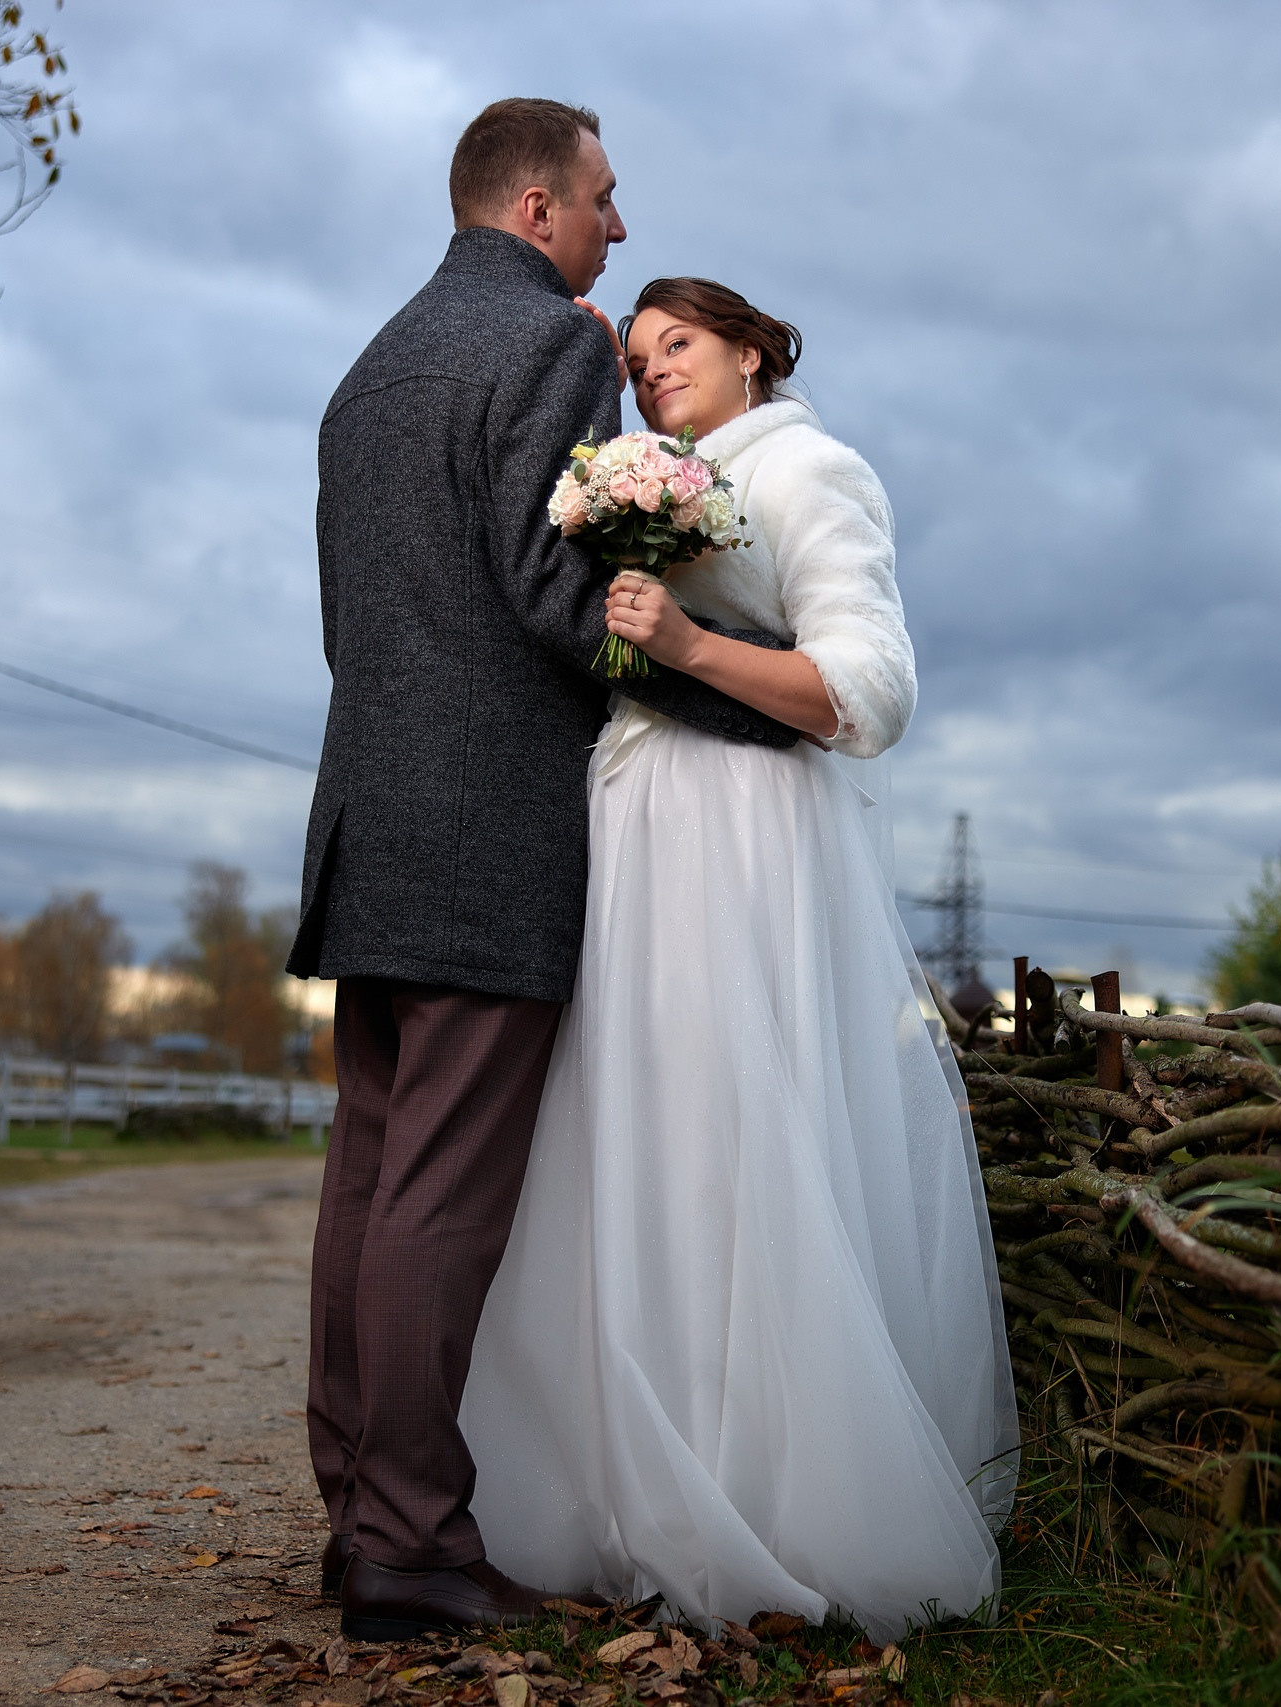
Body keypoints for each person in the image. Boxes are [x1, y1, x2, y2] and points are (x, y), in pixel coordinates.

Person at [287, 100, 805, 1644]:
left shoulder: (365, 373)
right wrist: (756, 696)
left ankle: (358, 1518)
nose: (619, 228)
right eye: (603, 197)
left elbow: (353, 624)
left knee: (371, 1180)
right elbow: (546, 587)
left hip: (368, 823)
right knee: (439, 1199)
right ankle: (415, 1545)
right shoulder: (549, 349)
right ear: (535, 208)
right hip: (486, 835)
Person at [459, 278, 1020, 1641]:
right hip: (640, 830)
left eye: (681, 347)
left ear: (757, 349)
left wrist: (694, 642)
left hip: (751, 840)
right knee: (639, 1134)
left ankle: (776, 1498)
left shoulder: (814, 468)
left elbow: (869, 695)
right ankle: (635, 1490)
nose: (654, 375)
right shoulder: (644, 491)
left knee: (739, 1136)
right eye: (638, 361)